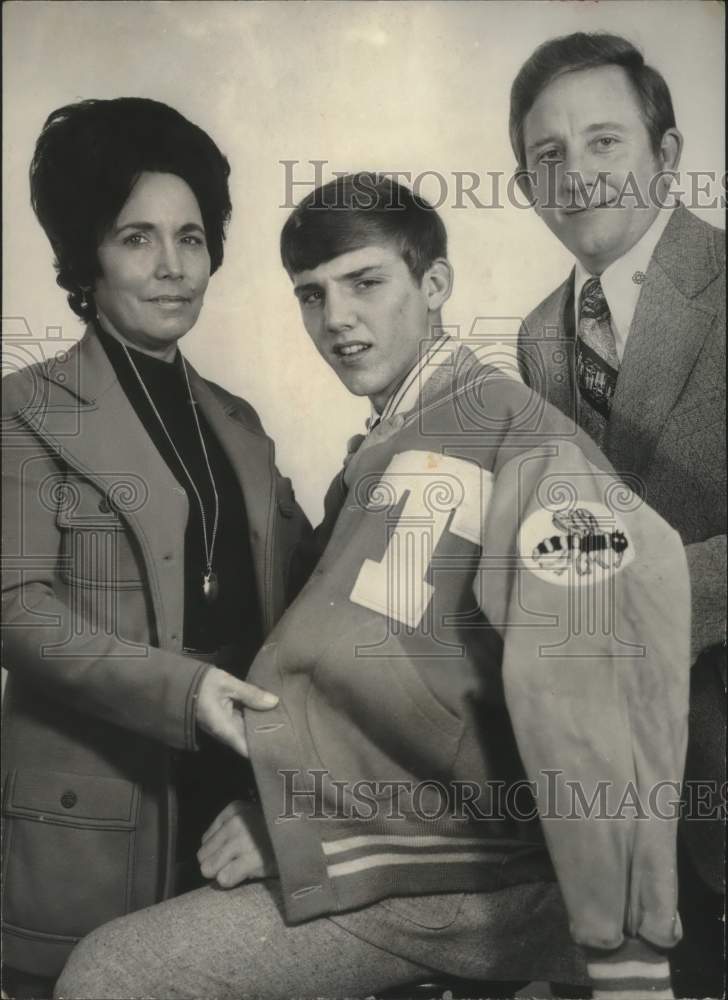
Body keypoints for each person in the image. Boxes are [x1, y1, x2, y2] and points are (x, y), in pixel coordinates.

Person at [56, 175, 690, 1000]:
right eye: (311, 295)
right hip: (390, 838)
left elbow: (595, 664)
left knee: (110, 977)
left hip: (467, 872)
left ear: (434, 285)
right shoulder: (399, 441)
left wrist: (625, 947)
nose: (337, 320)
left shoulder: (510, 434)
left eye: (365, 282)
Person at [1, 98, 310, 998]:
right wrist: (187, 693)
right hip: (94, 825)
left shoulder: (241, 424)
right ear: (86, 256)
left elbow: (311, 583)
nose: (173, 268)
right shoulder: (26, 412)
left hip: (243, 805)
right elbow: (15, 610)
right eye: (137, 238)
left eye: (192, 237)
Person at [510, 33, 726, 999]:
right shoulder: (534, 340)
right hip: (621, 793)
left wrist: (651, 605)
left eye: (603, 142)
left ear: (668, 155)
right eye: (546, 156)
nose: (577, 174)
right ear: (524, 185)